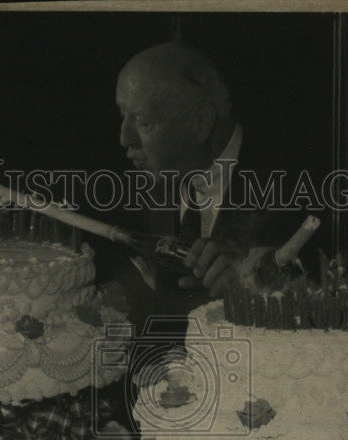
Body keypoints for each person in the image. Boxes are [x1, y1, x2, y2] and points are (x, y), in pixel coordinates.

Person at [111, 41, 299, 331]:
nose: (124, 138)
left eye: (143, 122)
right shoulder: (144, 178)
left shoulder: (296, 191)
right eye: (123, 115)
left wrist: (257, 288)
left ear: (201, 121)